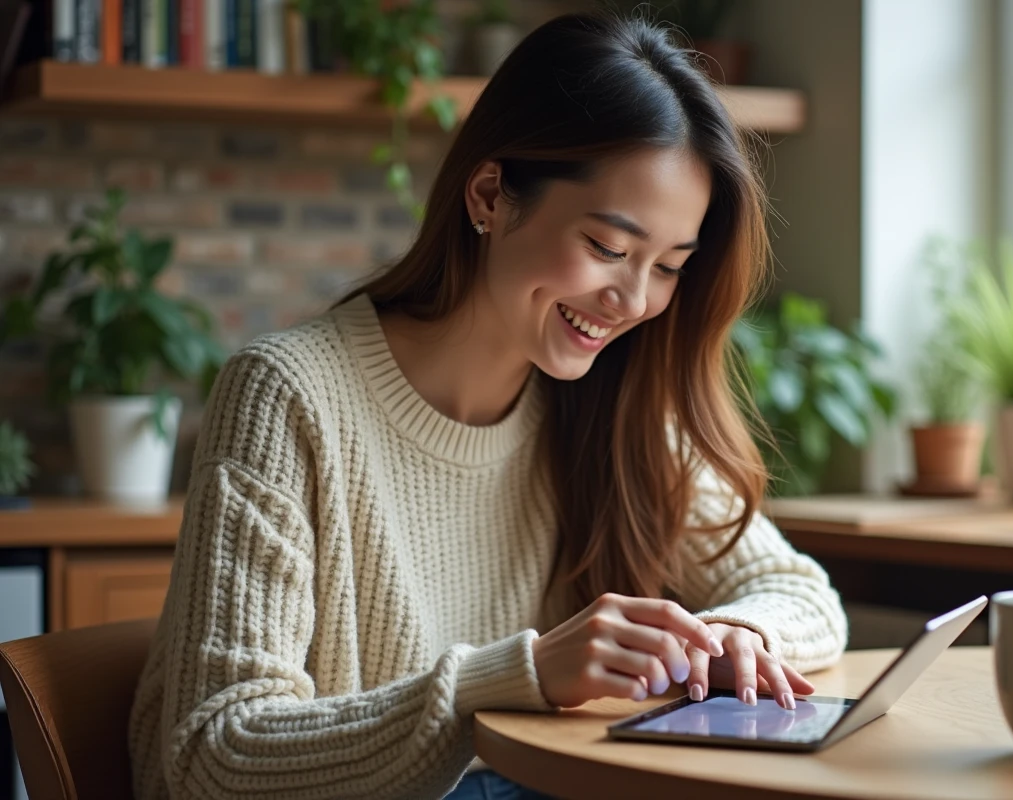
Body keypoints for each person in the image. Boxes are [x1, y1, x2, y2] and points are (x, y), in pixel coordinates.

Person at [128, 11, 848, 800]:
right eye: (608, 248)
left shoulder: (615, 399)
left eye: (669, 265)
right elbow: (211, 754)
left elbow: (800, 592)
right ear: (490, 196)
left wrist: (739, 636)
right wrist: (522, 675)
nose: (634, 300)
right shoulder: (288, 396)